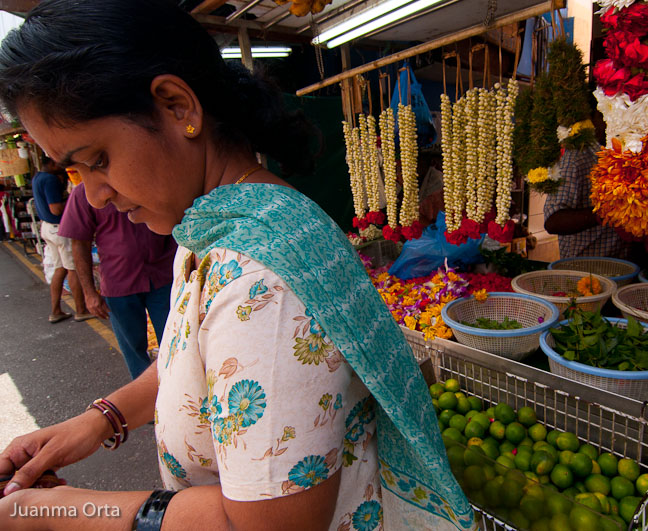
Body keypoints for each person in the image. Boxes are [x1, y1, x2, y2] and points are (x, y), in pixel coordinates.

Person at [0, 1, 473, 530]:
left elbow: (268, 525)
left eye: (98, 160)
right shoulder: (216, 224)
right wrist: (100, 419)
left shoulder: (257, 278)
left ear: (178, 107)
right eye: (76, 172)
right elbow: (200, 361)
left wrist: (55, 514)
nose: (95, 194)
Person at [59, 181, 177, 379]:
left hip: (162, 276)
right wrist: (89, 293)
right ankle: (146, 399)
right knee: (133, 348)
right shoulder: (86, 191)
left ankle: (176, 388)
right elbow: (79, 242)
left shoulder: (147, 177)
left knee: (174, 339)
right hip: (119, 282)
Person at [543, 126, 629, 259]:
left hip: (624, 262)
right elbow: (553, 222)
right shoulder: (577, 157)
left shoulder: (628, 150)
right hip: (586, 268)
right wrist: (607, 212)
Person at [30, 156, 91, 323]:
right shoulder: (50, 180)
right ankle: (81, 310)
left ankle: (56, 310)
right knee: (74, 269)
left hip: (47, 228)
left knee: (60, 268)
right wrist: (73, 202)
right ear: (52, 163)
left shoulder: (38, 177)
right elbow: (56, 209)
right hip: (59, 229)